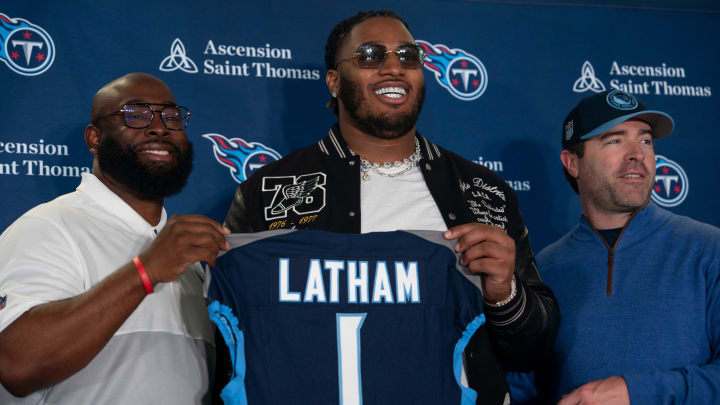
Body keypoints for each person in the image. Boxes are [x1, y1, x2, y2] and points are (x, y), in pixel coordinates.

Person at [223, 10, 559, 404]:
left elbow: (533, 349)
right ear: (334, 81)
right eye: (370, 55)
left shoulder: (483, 191)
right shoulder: (269, 190)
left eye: (408, 56)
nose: (394, 68)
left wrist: (504, 292)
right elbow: (234, 338)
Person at [0, 73, 229, 404]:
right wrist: (146, 271)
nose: (159, 127)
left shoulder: (192, 258)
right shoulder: (48, 227)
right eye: (135, 115)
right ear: (94, 138)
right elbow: (17, 365)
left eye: (172, 116)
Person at [509, 89, 720, 404]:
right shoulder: (544, 268)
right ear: (572, 163)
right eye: (615, 140)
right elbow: (522, 389)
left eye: (646, 140)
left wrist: (635, 392)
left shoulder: (708, 249)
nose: (637, 153)